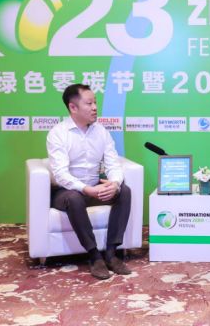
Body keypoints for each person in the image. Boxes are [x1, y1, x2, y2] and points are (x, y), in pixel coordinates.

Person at [46, 84, 132, 280]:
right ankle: (94, 256)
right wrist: (86, 189)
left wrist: (114, 183)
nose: (95, 107)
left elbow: (113, 163)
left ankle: (111, 253)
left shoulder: (101, 132)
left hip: (94, 188)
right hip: (66, 192)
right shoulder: (58, 133)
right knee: (74, 198)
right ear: (73, 107)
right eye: (89, 103)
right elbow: (60, 174)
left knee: (124, 191)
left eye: (95, 103)